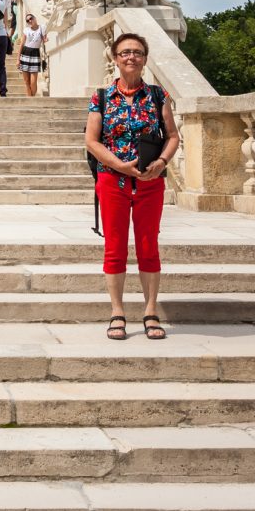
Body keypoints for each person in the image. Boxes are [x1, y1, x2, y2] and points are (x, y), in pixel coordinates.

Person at [85, 32, 179, 342]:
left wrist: (162, 163)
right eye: (125, 52)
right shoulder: (101, 97)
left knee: (148, 245)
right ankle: (117, 312)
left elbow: (173, 135)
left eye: (137, 52)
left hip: (150, 181)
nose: (131, 57)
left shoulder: (156, 95)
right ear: (115, 58)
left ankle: (150, 310)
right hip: (113, 179)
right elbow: (91, 140)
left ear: (144, 59)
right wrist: (118, 165)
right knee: (114, 247)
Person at [18, 13, 48, 98]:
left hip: (35, 54)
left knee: (33, 81)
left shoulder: (42, 27)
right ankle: (30, 99)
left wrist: (46, 39)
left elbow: (44, 39)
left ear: (35, 18)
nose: (30, 21)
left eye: (31, 18)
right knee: (26, 81)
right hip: (25, 53)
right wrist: (18, 59)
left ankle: (32, 98)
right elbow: (22, 44)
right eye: (27, 20)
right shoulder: (26, 30)